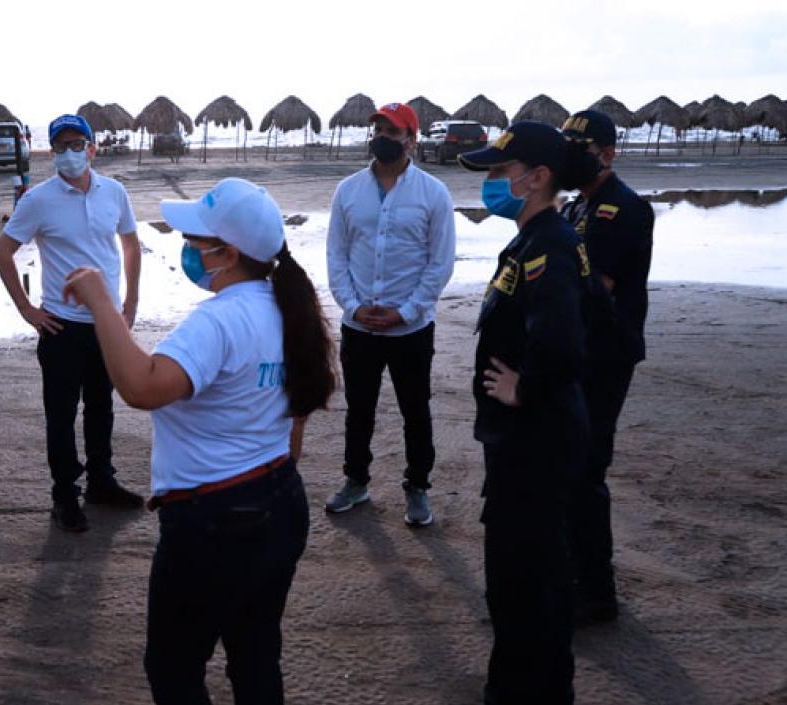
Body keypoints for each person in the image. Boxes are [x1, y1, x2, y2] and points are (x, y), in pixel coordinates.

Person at [60, 178, 336, 704]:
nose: (187, 249)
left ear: (227, 254)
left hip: (214, 525)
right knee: (255, 655)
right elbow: (293, 424)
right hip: (280, 501)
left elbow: (141, 387)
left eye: (194, 241)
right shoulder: (290, 311)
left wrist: (100, 303)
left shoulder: (217, 321)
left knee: (174, 668)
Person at [459, 122, 598, 705]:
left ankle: (530, 692)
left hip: (535, 442)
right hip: (527, 441)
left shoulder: (550, 247)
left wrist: (528, 388)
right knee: (523, 577)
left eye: (501, 170)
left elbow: (566, 340)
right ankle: (518, 684)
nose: (495, 180)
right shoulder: (537, 237)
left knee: (527, 580)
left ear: (537, 178)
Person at [0, 113, 144, 532]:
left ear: (93, 148)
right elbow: (2, 253)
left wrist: (130, 303)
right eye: (61, 146)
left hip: (106, 323)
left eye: (78, 145)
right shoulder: (38, 200)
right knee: (60, 415)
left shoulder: (114, 192)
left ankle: (102, 482)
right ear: (52, 152)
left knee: (101, 406)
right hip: (61, 327)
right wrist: (27, 310)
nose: (70, 153)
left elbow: (131, 244)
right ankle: (64, 496)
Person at [324, 102, 457, 526]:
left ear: (411, 140)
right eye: (378, 128)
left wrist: (407, 312)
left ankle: (417, 487)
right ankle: (356, 482)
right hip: (359, 326)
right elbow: (336, 255)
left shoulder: (433, 194)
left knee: (415, 410)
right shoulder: (347, 191)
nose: (382, 136)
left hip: (411, 330)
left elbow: (440, 264)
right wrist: (353, 305)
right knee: (358, 410)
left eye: (393, 130)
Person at [561, 110, 655, 625]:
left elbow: (596, 286)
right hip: (578, 351)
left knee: (586, 469)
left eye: (585, 147)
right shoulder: (579, 206)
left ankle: (596, 591)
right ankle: (573, 574)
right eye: (569, 147)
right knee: (567, 467)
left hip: (605, 355)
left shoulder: (626, 209)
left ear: (610, 152)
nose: (575, 155)